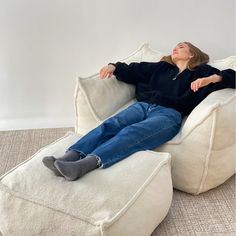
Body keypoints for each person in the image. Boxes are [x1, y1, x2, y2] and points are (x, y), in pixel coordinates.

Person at [42, 42, 235, 181]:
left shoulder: (202, 72)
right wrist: (113, 66)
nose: (175, 48)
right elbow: (134, 69)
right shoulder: (161, 67)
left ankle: (83, 166)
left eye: (181, 46)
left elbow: (232, 77)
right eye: (175, 46)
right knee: (110, 125)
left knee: (131, 133)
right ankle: (70, 157)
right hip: (142, 106)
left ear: (192, 54)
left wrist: (211, 80)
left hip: (169, 114)